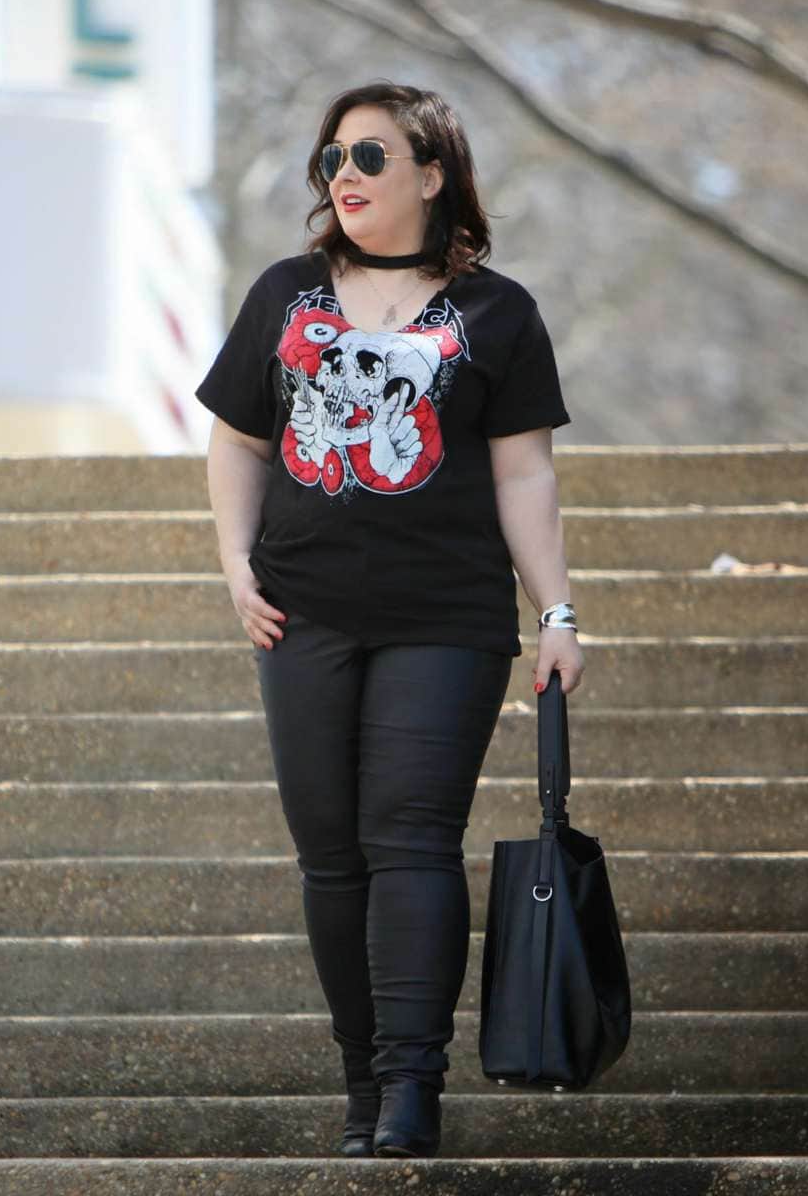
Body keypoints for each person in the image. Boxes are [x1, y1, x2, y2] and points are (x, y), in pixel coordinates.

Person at [194, 80, 585, 1160]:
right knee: (330, 859)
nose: (345, 179)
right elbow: (237, 441)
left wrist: (553, 610)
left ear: (430, 173)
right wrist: (234, 565)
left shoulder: (498, 314)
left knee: (409, 841)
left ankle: (413, 1090)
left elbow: (523, 476)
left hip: (443, 617)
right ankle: (362, 1083)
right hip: (301, 613)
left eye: (369, 158)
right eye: (331, 161)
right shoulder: (283, 293)